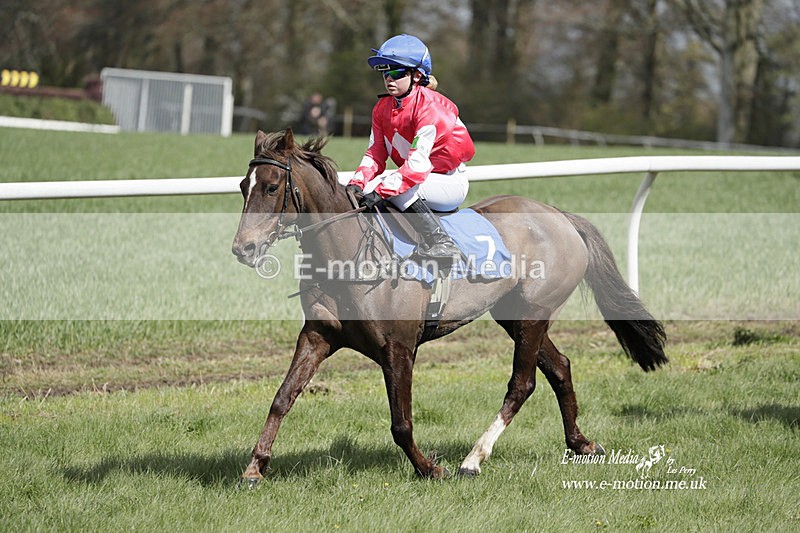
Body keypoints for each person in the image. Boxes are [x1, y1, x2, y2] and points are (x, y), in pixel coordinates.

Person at [346, 34, 475, 262]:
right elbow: (375, 153)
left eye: (397, 73)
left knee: (391, 188)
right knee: (365, 190)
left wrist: (379, 190)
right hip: (418, 178)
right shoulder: (382, 108)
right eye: (385, 73)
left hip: (448, 181)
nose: (389, 79)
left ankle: (441, 242)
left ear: (417, 76)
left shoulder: (431, 107)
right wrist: (357, 183)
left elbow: (417, 165)